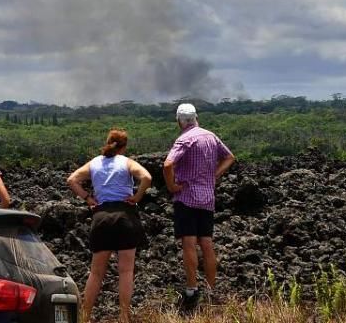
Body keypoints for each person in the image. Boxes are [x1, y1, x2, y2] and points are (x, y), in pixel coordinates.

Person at [67, 130, 152, 323]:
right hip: (125, 216)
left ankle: (84, 315)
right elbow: (146, 177)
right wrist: (137, 197)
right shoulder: (126, 162)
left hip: (101, 217)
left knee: (96, 272)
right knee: (126, 271)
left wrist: (88, 198)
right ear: (124, 147)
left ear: (108, 143)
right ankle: (123, 316)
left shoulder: (95, 162)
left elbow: (71, 180)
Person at [163, 103, 235, 311]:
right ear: (196, 117)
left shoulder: (184, 139)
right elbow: (229, 157)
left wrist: (171, 186)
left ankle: (192, 289)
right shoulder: (210, 136)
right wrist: (213, 176)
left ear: (179, 121)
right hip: (207, 198)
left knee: (189, 243)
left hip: (186, 197)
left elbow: (168, 165)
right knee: (207, 243)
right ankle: (211, 289)